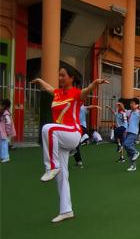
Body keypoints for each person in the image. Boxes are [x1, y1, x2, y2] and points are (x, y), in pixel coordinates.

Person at [32, 69, 108, 222]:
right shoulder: (57, 93)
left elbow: (86, 91)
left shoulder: (76, 93)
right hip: (61, 136)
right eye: (58, 75)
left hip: (72, 133)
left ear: (71, 78)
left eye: (63, 75)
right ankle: (66, 210)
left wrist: (94, 83)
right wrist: (40, 80)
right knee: (62, 175)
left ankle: (51, 166)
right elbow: (48, 88)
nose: (60, 77)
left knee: (48, 128)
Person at [72, 103, 101, 168]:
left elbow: (88, 107)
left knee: (76, 143)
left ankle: (85, 138)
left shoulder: (82, 107)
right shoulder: (75, 108)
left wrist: (95, 106)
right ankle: (79, 161)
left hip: (81, 127)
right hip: (78, 127)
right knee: (75, 146)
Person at [123, 98, 140, 171]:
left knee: (126, 144)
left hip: (133, 132)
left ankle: (136, 152)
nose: (131, 104)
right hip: (128, 131)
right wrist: (121, 105)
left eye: (132, 103)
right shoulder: (130, 112)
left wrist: (138, 107)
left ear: (136, 104)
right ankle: (133, 166)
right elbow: (124, 110)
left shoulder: (138, 112)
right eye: (130, 103)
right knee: (128, 152)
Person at [0, 99, 14, 163]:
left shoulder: (6, 113)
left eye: (1, 105)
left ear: (4, 105)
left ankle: (6, 157)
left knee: (4, 144)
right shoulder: (2, 112)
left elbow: (8, 123)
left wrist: (7, 132)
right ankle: (3, 156)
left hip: (3, 132)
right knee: (2, 144)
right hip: (1, 131)